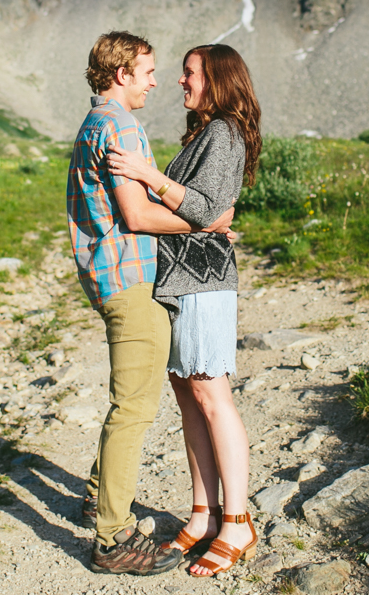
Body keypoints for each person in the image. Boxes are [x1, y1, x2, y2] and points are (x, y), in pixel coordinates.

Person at [66, 31, 235, 576]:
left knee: (132, 399)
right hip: (132, 282)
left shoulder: (95, 123)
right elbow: (138, 217)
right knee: (133, 407)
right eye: (148, 71)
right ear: (122, 75)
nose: (158, 82)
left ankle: (98, 495)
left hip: (113, 277)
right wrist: (205, 222)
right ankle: (112, 537)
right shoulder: (120, 127)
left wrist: (200, 227)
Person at [107, 43, 262, 577]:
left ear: (216, 79)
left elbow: (206, 209)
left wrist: (147, 175)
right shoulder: (206, 134)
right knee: (189, 395)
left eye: (189, 72)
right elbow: (208, 211)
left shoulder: (223, 133)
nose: (179, 81)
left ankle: (237, 521)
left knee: (212, 395)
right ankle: (203, 514)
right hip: (183, 281)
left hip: (204, 282)